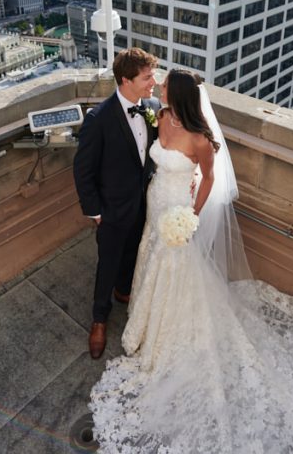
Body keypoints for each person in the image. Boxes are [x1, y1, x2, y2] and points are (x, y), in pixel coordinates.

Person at [89, 69, 293, 453]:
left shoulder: (202, 141)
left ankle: (165, 330)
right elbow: (149, 159)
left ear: (178, 95)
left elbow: (209, 180)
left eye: (163, 85)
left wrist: (191, 214)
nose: (157, 86)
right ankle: (143, 311)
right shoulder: (159, 115)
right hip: (154, 202)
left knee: (175, 266)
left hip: (178, 210)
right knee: (149, 255)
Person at [73, 48, 161, 359]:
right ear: (126, 80)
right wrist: (96, 211)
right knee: (107, 264)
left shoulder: (152, 107)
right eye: (147, 77)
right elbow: (83, 171)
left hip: (143, 203)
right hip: (110, 210)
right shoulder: (99, 119)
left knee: (133, 253)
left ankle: (125, 289)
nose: (154, 82)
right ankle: (99, 318)